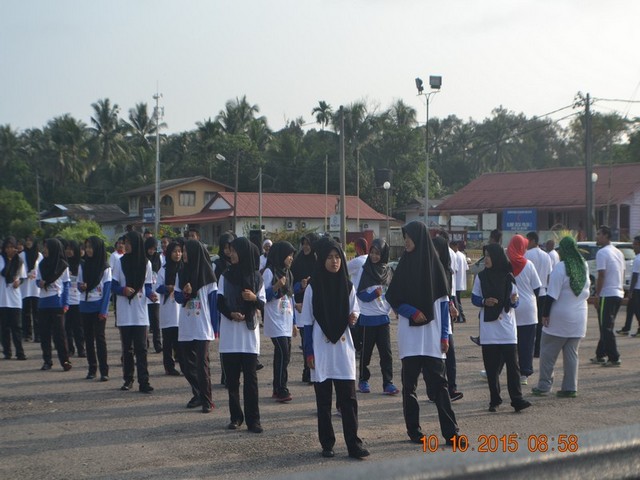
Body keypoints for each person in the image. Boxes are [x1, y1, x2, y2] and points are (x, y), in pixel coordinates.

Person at [385, 222, 464, 447]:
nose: (406, 242)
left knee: (440, 386)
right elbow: (394, 300)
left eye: (409, 238)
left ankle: (451, 433)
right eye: (405, 238)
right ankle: (414, 430)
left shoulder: (436, 268)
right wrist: (412, 312)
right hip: (410, 337)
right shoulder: (403, 267)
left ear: (419, 239)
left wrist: (444, 336)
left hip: (432, 337)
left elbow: (443, 305)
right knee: (409, 386)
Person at [300, 237, 370, 459]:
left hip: (342, 348)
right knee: (323, 401)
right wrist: (309, 352)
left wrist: (353, 317)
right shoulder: (313, 288)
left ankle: (353, 444)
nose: (334, 261)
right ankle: (327, 443)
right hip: (321, 348)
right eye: (329, 257)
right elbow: (306, 323)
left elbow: (355, 310)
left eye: (337, 257)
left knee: (348, 399)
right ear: (322, 260)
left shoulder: (347, 286)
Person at [472, 243, 531, 413]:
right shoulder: (481, 277)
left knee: (513, 367)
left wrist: (513, 300)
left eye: (489, 256)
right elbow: (475, 298)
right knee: (491, 368)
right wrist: (484, 301)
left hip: (507, 328)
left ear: (497, 257)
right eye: (485, 256)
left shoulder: (508, 276)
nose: (486, 259)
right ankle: (494, 400)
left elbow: (516, 301)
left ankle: (517, 399)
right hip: (489, 328)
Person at [218, 237, 265, 433]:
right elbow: (219, 302)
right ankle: (236, 417)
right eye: (230, 250)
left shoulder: (257, 278)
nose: (231, 254)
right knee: (232, 380)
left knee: (251, 380)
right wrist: (231, 314)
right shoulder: (225, 276)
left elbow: (263, 304)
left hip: (249, 336)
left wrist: (253, 298)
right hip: (230, 335)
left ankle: (254, 420)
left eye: (235, 251)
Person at [532, 236, 589, 398]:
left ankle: (544, 386)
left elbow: (551, 295)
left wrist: (544, 314)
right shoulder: (583, 265)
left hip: (559, 318)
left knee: (548, 353)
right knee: (571, 354)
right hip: (579, 317)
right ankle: (570, 387)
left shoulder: (561, 268)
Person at [174, 239, 218, 413]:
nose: (184, 254)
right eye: (183, 251)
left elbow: (213, 304)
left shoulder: (208, 276)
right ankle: (198, 393)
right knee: (186, 364)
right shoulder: (181, 273)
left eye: (186, 251)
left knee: (201, 365)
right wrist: (186, 293)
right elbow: (178, 298)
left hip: (203, 326)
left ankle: (207, 400)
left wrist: (215, 328)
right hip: (187, 324)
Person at [352, 238, 399, 396]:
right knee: (366, 353)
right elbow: (359, 294)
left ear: (383, 254)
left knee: (386, 354)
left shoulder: (388, 271)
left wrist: (395, 308)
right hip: (368, 319)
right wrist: (373, 295)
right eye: (372, 252)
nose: (374, 256)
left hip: (383, 319)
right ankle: (363, 380)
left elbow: (392, 293)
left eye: (377, 253)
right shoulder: (365, 270)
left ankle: (388, 383)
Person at [112, 231, 156, 393]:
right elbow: (113, 285)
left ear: (137, 244)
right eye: (125, 243)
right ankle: (128, 379)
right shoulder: (120, 262)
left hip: (140, 312)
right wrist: (122, 290)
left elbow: (147, 286)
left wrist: (151, 295)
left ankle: (144, 381)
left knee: (141, 349)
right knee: (127, 349)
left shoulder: (146, 263)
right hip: (125, 311)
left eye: (129, 243)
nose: (126, 246)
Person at [262, 241, 297, 402]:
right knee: (283, 352)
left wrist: (294, 322)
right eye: (288, 255)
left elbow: (290, 297)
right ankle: (282, 388)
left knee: (283, 355)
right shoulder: (269, 272)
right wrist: (276, 287)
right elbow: (263, 296)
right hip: (274, 320)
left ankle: (277, 387)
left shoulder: (288, 273)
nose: (291, 258)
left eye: (292, 255)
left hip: (286, 319)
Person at [431, 236, 463, 402]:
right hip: (431, 318)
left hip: (444, 316)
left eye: (436, 249)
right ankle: (434, 391)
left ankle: (452, 388)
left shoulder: (447, 271)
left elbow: (448, 294)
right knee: (433, 356)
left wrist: (452, 305)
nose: (433, 252)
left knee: (450, 353)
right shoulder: (427, 269)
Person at [507, 234, 541, 385]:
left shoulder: (507, 265)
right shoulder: (529, 264)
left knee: (510, 342)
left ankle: (508, 370)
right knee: (527, 343)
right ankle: (524, 373)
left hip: (512, 307)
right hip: (528, 309)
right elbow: (537, 288)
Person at [78, 236, 112, 381]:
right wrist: (81, 286)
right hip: (85, 305)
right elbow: (79, 284)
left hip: (98, 307)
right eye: (86, 247)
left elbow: (107, 290)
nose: (88, 250)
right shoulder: (83, 265)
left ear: (97, 248)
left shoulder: (105, 267)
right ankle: (92, 368)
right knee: (88, 339)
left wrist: (104, 311)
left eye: (91, 247)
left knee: (100, 339)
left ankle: (104, 370)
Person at [591, 225, 625, 366]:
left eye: (599, 234)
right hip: (618, 292)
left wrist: (597, 295)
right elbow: (622, 272)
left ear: (606, 236)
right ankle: (600, 354)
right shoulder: (618, 252)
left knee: (606, 327)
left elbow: (601, 275)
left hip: (607, 294)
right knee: (606, 325)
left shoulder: (602, 252)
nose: (597, 237)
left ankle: (614, 357)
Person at [37, 238, 72, 371]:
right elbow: (37, 280)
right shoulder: (41, 264)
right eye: (44, 247)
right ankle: (47, 361)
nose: (44, 250)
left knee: (60, 335)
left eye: (47, 247)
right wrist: (39, 283)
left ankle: (65, 360)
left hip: (57, 302)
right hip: (43, 302)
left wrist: (66, 303)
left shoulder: (63, 265)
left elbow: (66, 285)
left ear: (53, 249)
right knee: (44, 334)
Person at [291, 233, 319, 384]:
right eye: (304, 244)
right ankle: (307, 371)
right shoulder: (297, 261)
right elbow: (291, 286)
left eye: (308, 244)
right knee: (306, 339)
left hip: (318, 304)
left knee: (317, 338)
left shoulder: (319, 261)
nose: (306, 247)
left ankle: (317, 370)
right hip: (301, 305)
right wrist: (301, 286)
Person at [155, 241, 183, 376]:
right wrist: (167, 288)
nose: (177, 254)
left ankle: (184, 365)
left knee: (181, 342)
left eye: (180, 251)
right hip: (168, 309)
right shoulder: (163, 270)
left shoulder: (184, 268)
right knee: (168, 341)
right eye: (175, 251)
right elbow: (157, 287)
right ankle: (169, 367)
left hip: (181, 310)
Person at [213, 231, 236, 386]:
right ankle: (225, 375)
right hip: (223, 306)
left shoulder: (237, 263)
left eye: (230, 247)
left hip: (236, 306)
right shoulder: (217, 264)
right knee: (225, 342)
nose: (228, 251)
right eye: (225, 247)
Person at [525, 231, 552, 359]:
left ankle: (528, 348)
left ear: (533, 241)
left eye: (527, 241)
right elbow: (549, 275)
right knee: (540, 324)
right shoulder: (546, 256)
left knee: (529, 324)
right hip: (543, 292)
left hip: (530, 292)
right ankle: (538, 350)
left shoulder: (527, 255)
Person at [0, 236, 27, 360]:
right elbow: (4, 272)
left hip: (15, 298)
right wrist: (9, 260)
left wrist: (19, 282)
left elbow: (22, 276)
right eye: (7, 247)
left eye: (12, 247)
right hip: (2, 298)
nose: (9, 250)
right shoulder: (1, 259)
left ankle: (20, 352)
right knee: (4, 327)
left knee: (17, 327)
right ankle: (7, 351)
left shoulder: (19, 261)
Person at [64, 240, 86, 358]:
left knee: (78, 327)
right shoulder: (63, 264)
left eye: (71, 249)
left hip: (78, 299)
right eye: (67, 249)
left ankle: (81, 349)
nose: (69, 251)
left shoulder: (82, 264)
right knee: (67, 327)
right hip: (66, 300)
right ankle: (70, 349)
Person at [20, 235, 42, 342]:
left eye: (30, 241)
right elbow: (18, 269)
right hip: (25, 287)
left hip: (36, 288)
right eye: (27, 240)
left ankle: (38, 334)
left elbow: (42, 269)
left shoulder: (39, 255)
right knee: (26, 312)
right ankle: (27, 334)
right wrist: (25, 275)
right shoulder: (21, 255)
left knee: (37, 312)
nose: (28, 242)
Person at [617, 236, 640, 336]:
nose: (633, 246)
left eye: (635, 244)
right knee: (630, 309)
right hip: (637, 289)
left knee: (636, 310)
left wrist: (630, 291)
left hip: (637, 289)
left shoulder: (637, 259)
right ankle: (626, 328)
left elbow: (635, 276)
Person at [145, 236, 163, 353]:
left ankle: (157, 344)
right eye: (150, 249)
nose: (152, 251)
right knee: (146, 322)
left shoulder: (158, 258)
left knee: (156, 321)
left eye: (154, 249)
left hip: (155, 293)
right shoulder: (143, 259)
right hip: (145, 293)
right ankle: (145, 343)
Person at [453, 241, 468, 323]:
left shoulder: (455, 256)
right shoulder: (462, 255)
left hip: (456, 282)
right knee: (457, 300)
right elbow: (466, 268)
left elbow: (455, 269)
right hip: (461, 281)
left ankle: (461, 317)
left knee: (457, 301)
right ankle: (460, 317)